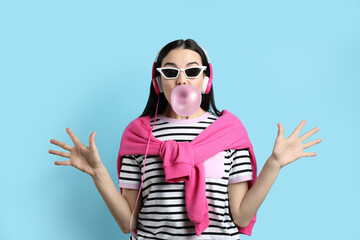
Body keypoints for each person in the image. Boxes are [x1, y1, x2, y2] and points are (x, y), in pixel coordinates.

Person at [48, 39, 322, 240]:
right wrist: (98, 172)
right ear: (158, 82)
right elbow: (126, 222)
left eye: (192, 71)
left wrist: (274, 164)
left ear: (206, 80)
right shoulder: (139, 135)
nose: (182, 80)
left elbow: (240, 216)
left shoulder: (230, 131)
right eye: (170, 72)